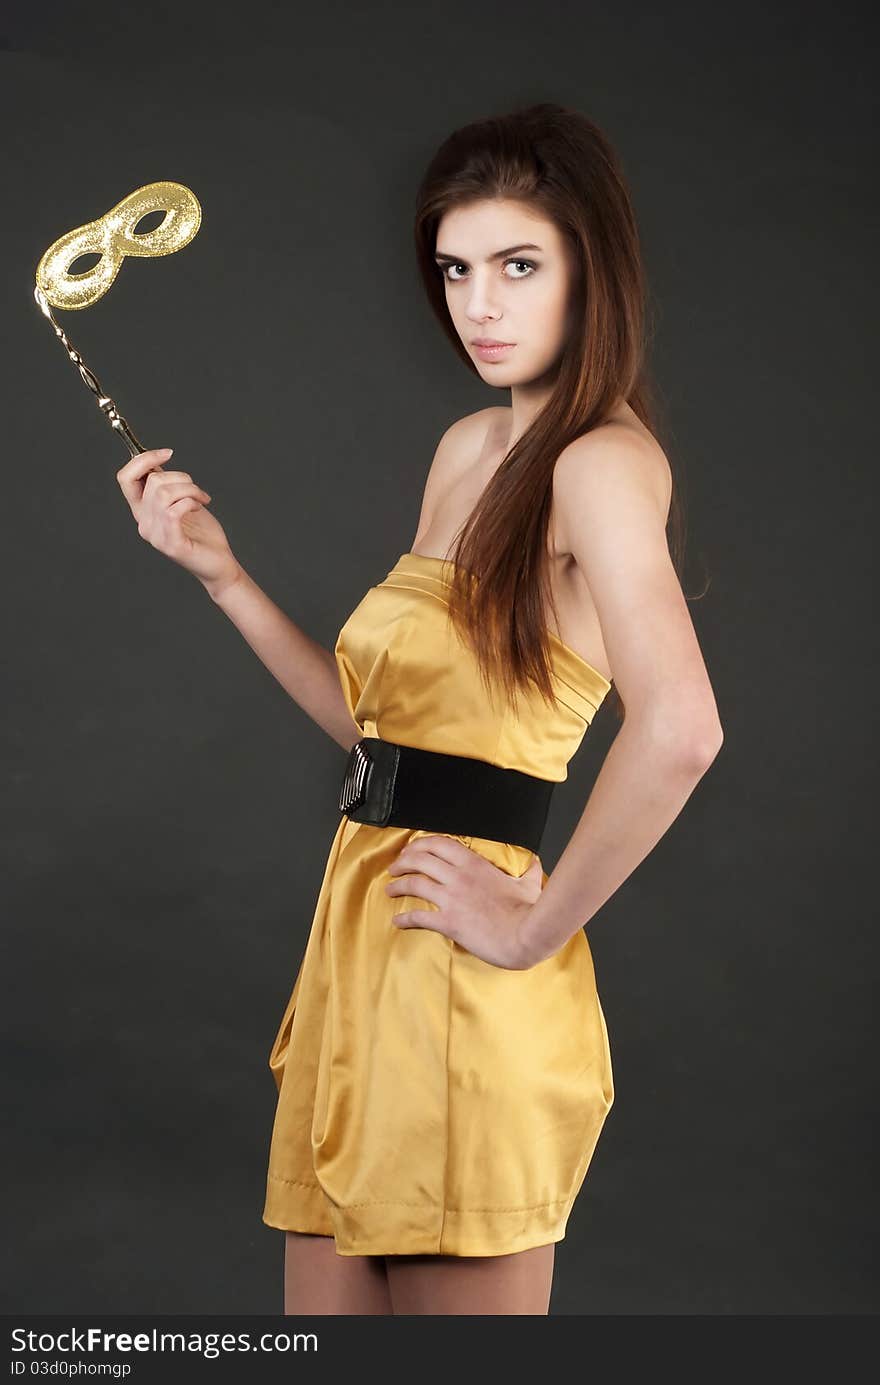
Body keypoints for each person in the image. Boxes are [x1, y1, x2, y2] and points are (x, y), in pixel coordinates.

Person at [115, 103, 723, 1315]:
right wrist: (224, 577)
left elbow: (683, 727)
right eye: (454, 269)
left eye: (517, 266)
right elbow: (385, 738)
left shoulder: (600, 462)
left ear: (587, 272)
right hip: (355, 967)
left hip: (463, 981)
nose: (479, 306)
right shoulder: (464, 448)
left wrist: (534, 924)